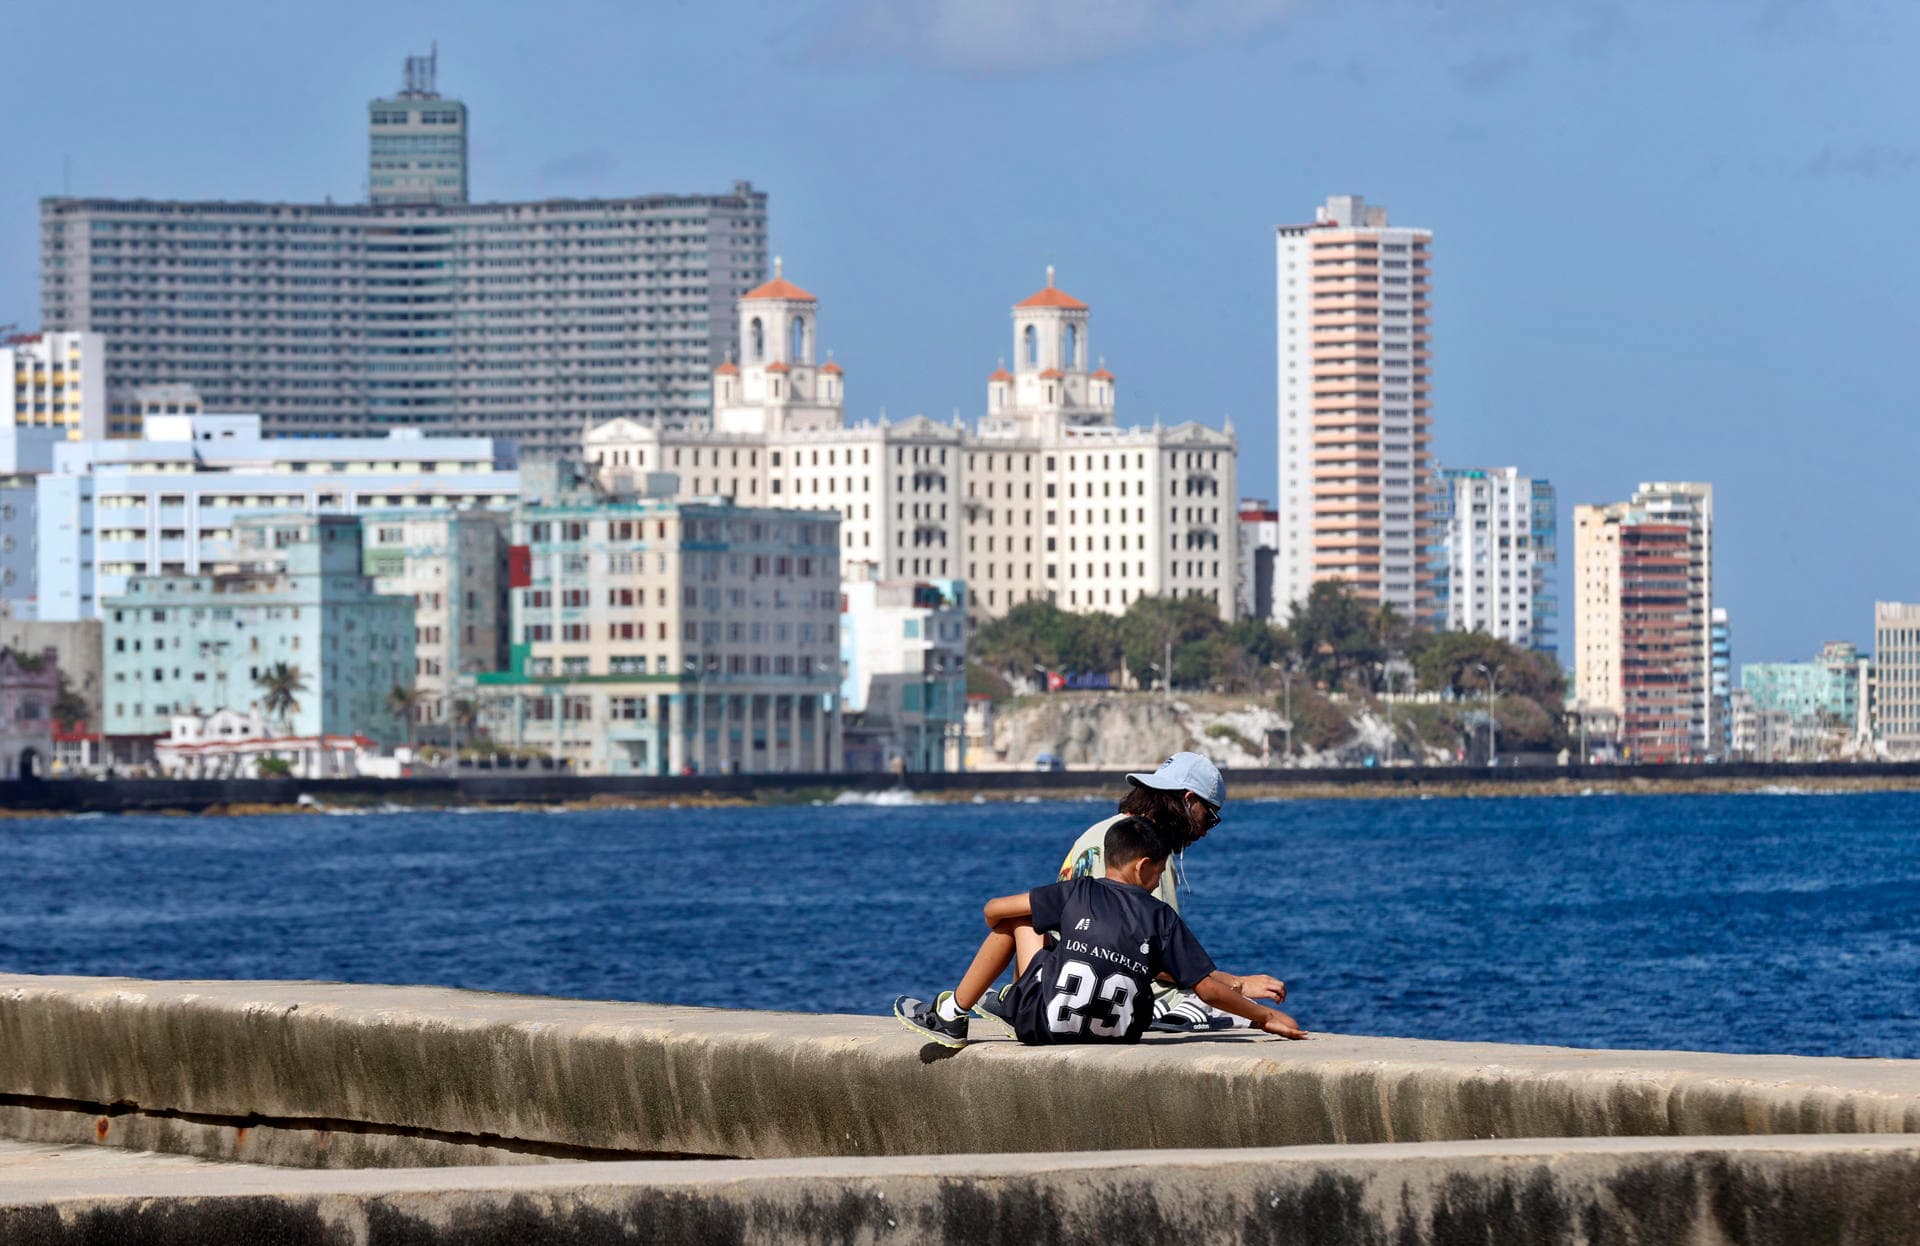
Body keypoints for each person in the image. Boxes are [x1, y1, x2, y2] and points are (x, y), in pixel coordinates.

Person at [893, 816, 1307, 1048]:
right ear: (1144, 866)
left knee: (1018, 919)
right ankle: (1002, 1001)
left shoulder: (1078, 892)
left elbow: (991, 909)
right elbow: (1207, 989)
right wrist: (1266, 1017)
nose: (1160, 877)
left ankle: (951, 1014)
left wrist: (1006, 925)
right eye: (1161, 870)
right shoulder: (1161, 917)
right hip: (1121, 1034)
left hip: (1045, 1028)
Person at [1057, 751, 1288, 1030]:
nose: (1206, 831)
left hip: (1068, 993)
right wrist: (1238, 985)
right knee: (1262, 1023)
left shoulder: (1094, 834)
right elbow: (1160, 959)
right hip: (1128, 999)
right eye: (1210, 816)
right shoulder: (1150, 859)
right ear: (1189, 801)